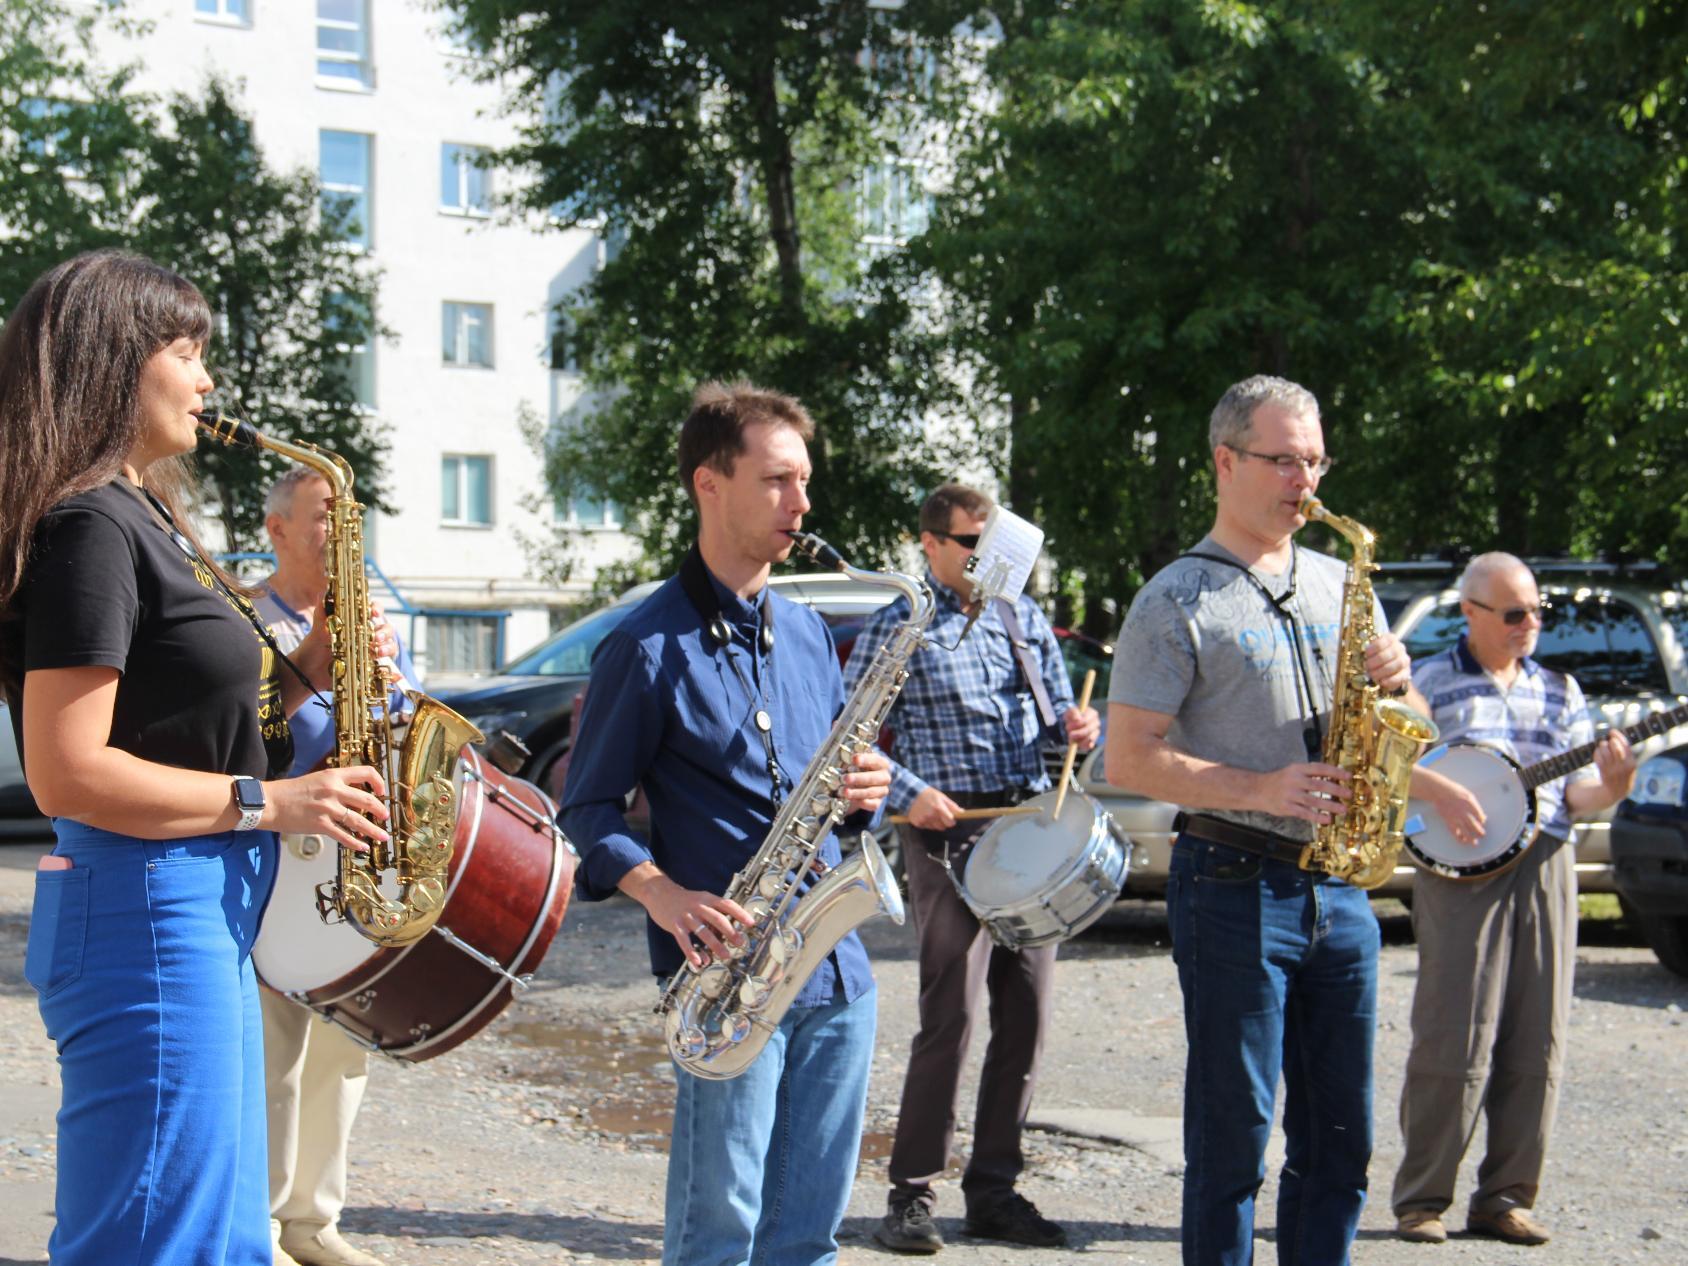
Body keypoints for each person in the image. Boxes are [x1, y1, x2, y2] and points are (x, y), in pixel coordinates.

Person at [0, 250, 389, 1266]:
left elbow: (200, 726)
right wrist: (274, 802)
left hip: (189, 904)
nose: (208, 379)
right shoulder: (89, 525)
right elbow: (68, 770)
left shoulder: (148, 516)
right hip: (145, 906)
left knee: (214, 1240)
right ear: (119, 359)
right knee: (156, 1242)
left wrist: (315, 662)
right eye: (188, 350)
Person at [559, 381, 892, 1266]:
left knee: (809, 1237)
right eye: (779, 480)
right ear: (711, 484)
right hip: (728, 980)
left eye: (805, 480)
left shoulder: (812, 634)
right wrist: (659, 891)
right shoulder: (645, 647)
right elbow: (584, 811)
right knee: (719, 1235)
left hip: (834, 972)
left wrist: (871, 788)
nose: (803, 503)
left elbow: (841, 795)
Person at [1104, 374, 1416, 1266]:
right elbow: (1127, 759)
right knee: (1233, 1144)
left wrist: (1397, 679)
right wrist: (1263, 788)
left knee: (1341, 1143)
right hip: (1235, 882)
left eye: (1315, 460)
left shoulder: (1337, 577)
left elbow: (1402, 722)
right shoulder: (1176, 598)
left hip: (1342, 891)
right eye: (1284, 461)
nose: (1305, 482)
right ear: (1225, 462)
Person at [847, 483, 1100, 1254]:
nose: (986, 561)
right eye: (969, 546)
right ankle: (911, 1195)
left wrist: (1081, 731)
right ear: (928, 543)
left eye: (993, 547)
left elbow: (1060, 730)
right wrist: (912, 793)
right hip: (945, 834)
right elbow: (848, 735)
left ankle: (995, 1191)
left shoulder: (1021, 620)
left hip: (1025, 829)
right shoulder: (899, 624)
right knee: (950, 1016)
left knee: (1025, 1016)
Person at [1391, 553, 1635, 1247]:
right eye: (1514, 613)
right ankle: (1422, 1198)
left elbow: (1575, 796)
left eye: (1537, 612)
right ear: (1469, 612)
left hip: (1548, 860)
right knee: (1451, 1032)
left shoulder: (1561, 690)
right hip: (1459, 872)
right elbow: (1398, 771)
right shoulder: (1428, 683)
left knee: (1538, 1035)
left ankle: (1505, 1197)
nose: (1530, 625)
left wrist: (1612, 788)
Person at [254, 466, 411, 1266]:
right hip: (277, 867)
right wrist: (308, 665)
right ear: (277, 528)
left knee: (344, 1052)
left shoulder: (374, 622)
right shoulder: (243, 619)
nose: (338, 535)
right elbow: (235, 747)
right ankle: (264, 1225)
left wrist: (391, 683)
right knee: (273, 1055)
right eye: (323, 518)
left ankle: (315, 1223)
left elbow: (408, 731)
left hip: (354, 865)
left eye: (346, 520)